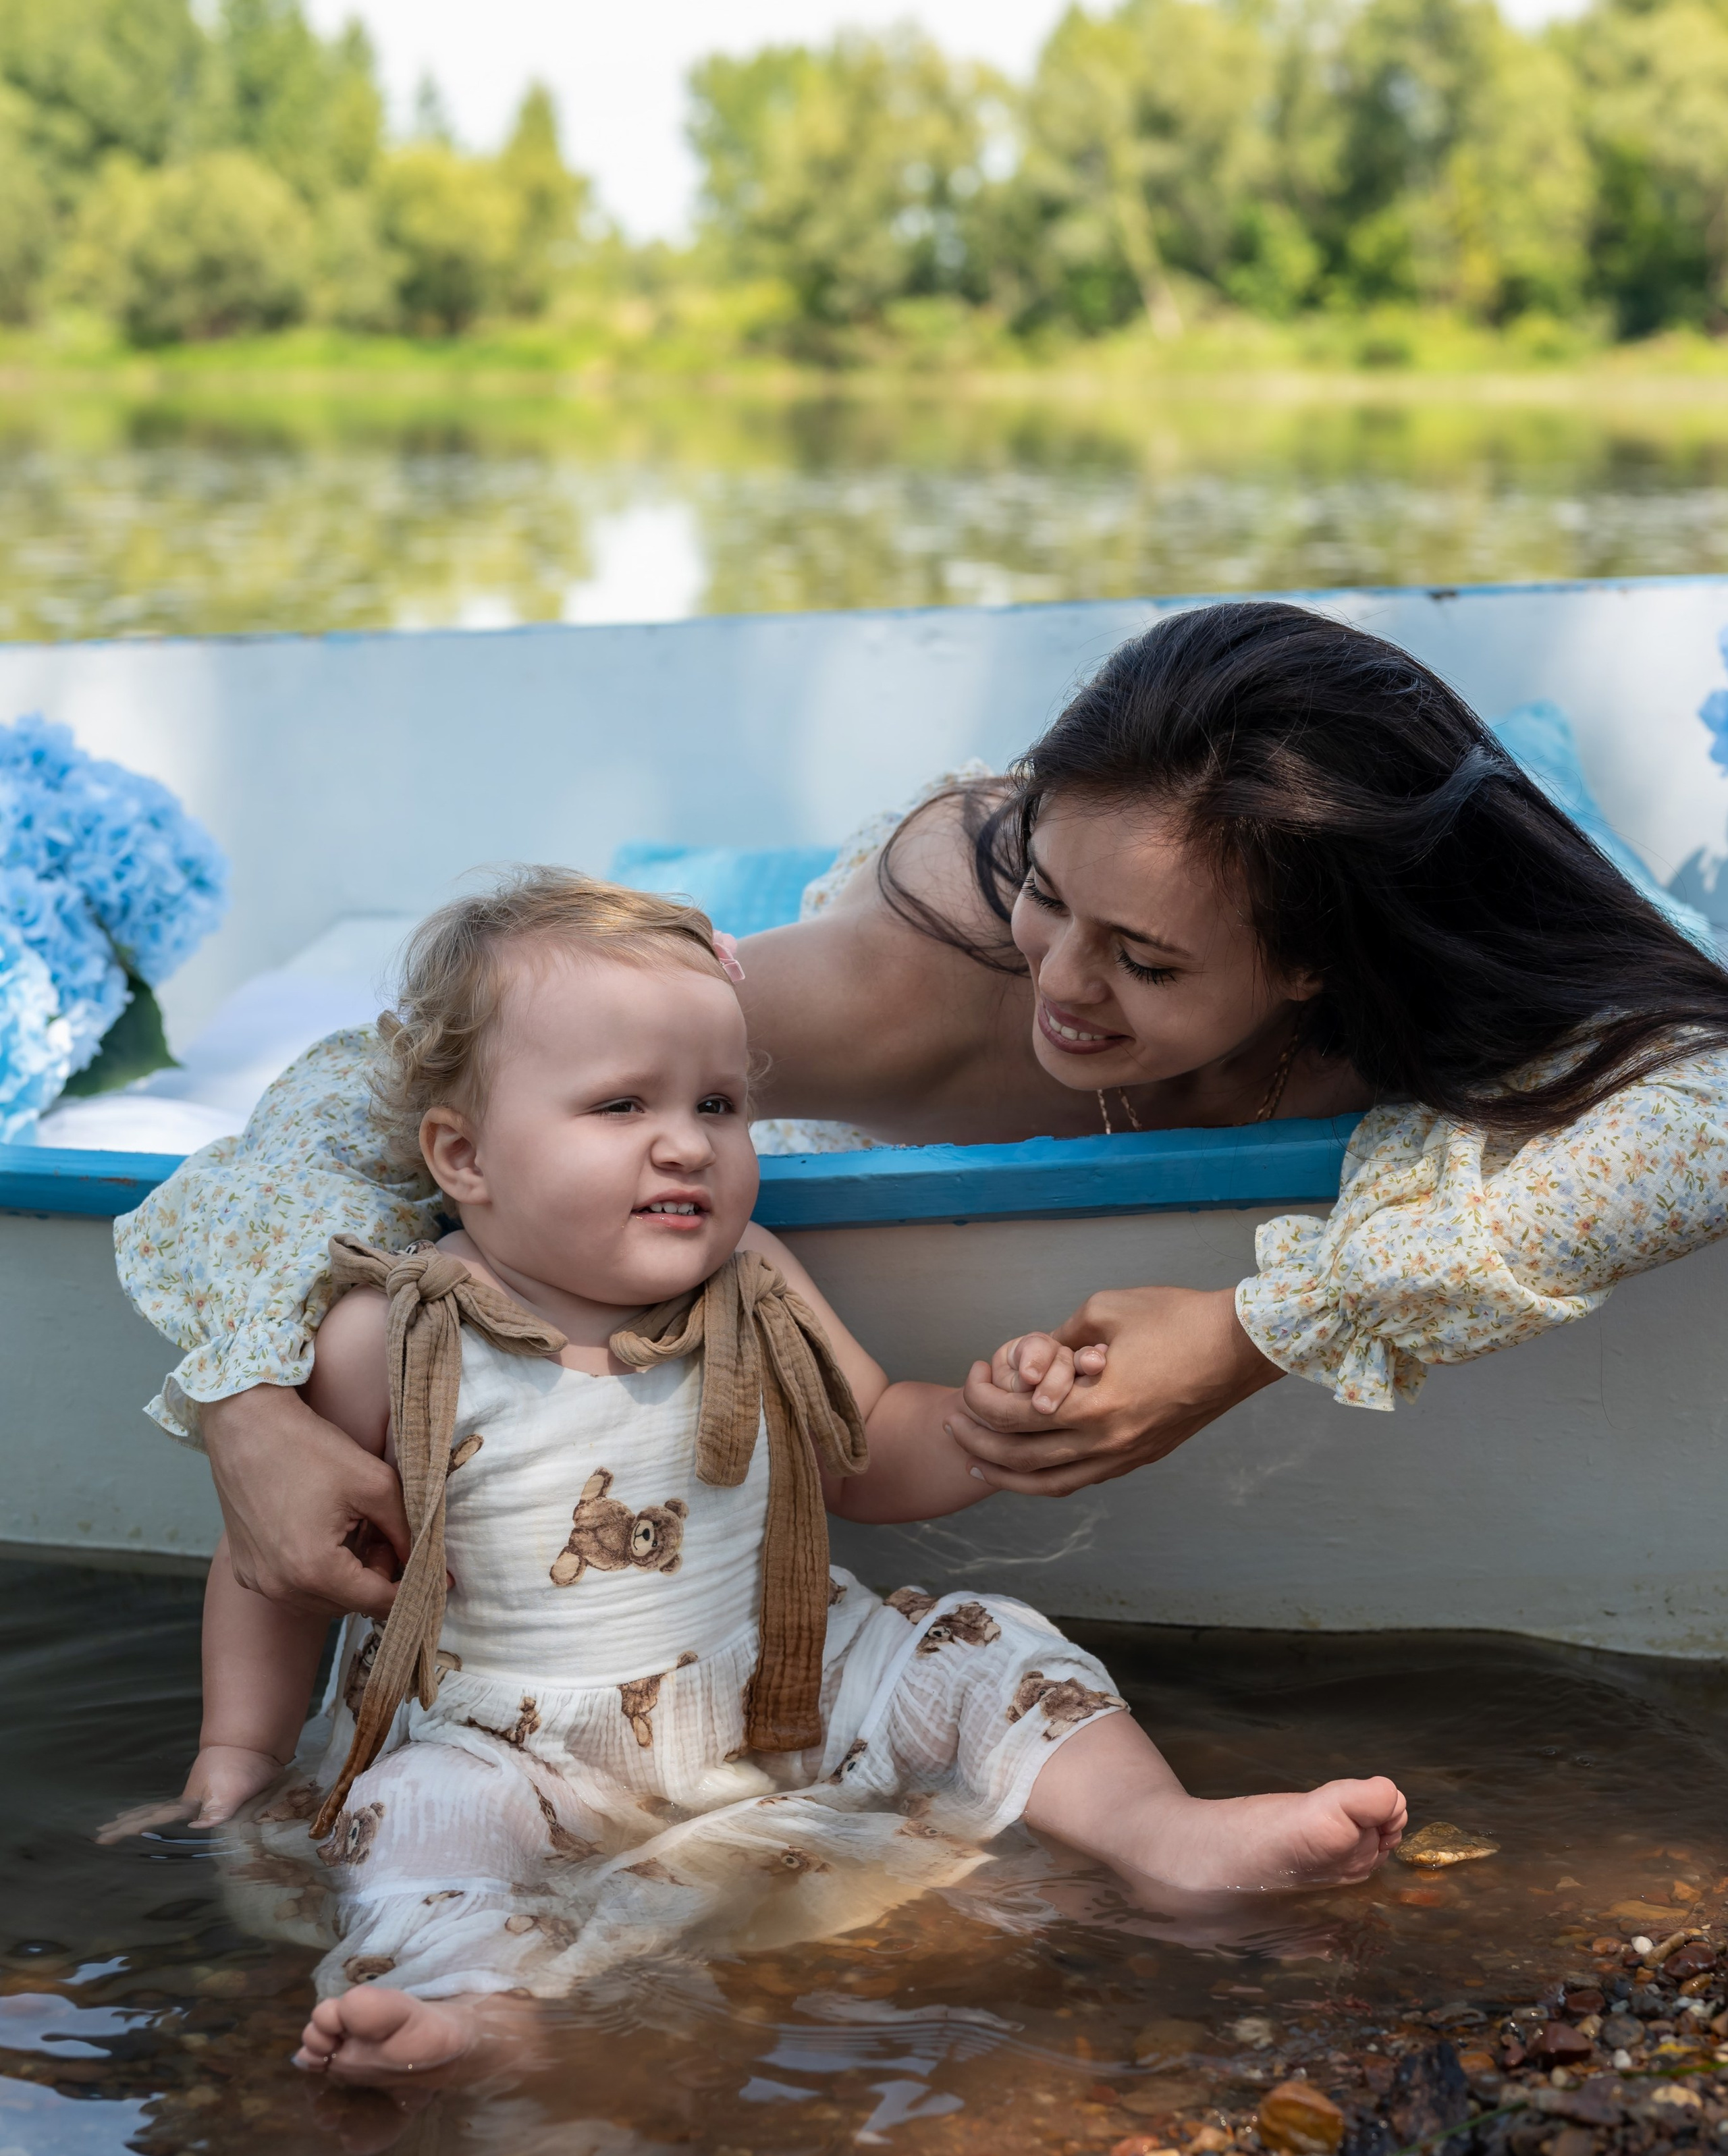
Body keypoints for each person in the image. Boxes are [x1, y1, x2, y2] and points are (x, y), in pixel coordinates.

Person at [116, 598, 1728, 1588]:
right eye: (1056, 896)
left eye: (1142, 964)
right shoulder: (932, 976)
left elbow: (1705, 1109)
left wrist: (1254, 1335)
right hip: (882, 917)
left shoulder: (1421, 979)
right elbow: (364, 1084)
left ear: (1314, 971)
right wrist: (244, 1407)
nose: (1063, 989)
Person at [109, 873, 1405, 2087]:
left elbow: (868, 1447)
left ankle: (1162, 1835)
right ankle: (472, 1999)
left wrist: (977, 1421)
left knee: (986, 1645)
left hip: (777, 1681)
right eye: (623, 1108)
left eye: (718, 1107)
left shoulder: (755, 1279)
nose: (686, 1146)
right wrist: (238, 1752)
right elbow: (275, 1556)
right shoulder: (388, 1338)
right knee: (416, 1822)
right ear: (463, 1158)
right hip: (506, 1741)